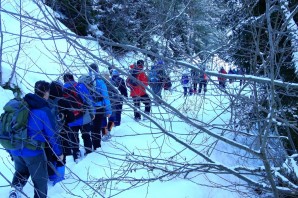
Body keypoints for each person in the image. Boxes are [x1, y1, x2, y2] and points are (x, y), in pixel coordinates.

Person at [9, 80, 63, 198]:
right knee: (40, 180)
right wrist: (59, 153)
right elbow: (52, 134)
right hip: (33, 151)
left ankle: (15, 191)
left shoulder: (23, 104)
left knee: (21, 171)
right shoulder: (44, 110)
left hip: (16, 147)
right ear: (46, 92)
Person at [63, 73, 95, 162]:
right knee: (86, 135)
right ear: (73, 78)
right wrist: (93, 113)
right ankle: (88, 151)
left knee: (73, 137)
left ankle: (76, 154)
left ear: (64, 80)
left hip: (70, 118)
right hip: (83, 116)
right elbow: (88, 100)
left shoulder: (62, 89)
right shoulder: (79, 86)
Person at [89, 63, 112, 149]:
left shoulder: (85, 80)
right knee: (99, 125)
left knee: (93, 127)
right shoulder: (100, 81)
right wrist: (108, 110)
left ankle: (94, 144)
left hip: (89, 108)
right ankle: (98, 146)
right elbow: (105, 96)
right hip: (99, 107)